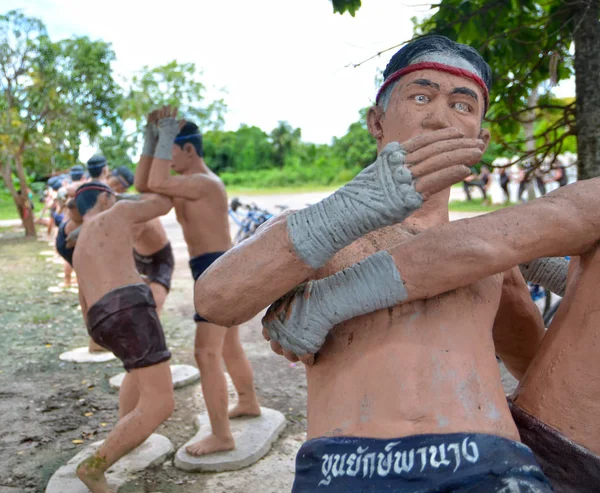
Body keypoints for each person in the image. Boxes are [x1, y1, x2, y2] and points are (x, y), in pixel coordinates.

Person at [194, 35, 553, 491]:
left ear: (479, 139)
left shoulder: (492, 252)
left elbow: (538, 368)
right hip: (351, 468)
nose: (440, 117)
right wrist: (346, 211)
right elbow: (216, 300)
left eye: (462, 106)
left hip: (490, 466)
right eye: (421, 97)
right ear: (377, 122)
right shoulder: (313, 234)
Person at [136, 107, 260, 457]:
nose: (166, 157)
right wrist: (153, 136)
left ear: (188, 151)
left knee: (205, 353)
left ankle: (222, 435)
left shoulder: (203, 183)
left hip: (217, 269)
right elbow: (145, 183)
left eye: (170, 149)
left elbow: (155, 182)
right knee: (228, 346)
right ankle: (248, 402)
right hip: (214, 267)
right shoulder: (189, 183)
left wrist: (165, 131)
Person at [72, 181, 174, 493]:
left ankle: (129, 433)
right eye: (112, 197)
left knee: (135, 372)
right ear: (105, 198)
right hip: (129, 307)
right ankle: (94, 467)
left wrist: (96, 339)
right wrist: (126, 197)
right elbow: (164, 201)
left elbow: (84, 303)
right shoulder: (119, 211)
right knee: (160, 403)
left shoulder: (78, 246)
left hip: (101, 321)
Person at [108, 165, 174, 315]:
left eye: (119, 185)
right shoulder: (114, 205)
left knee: (151, 314)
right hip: (137, 257)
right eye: (113, 182)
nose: (115, 188)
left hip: (158, 261)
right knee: (130, 312)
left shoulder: (134, 206)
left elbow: (122, 242)